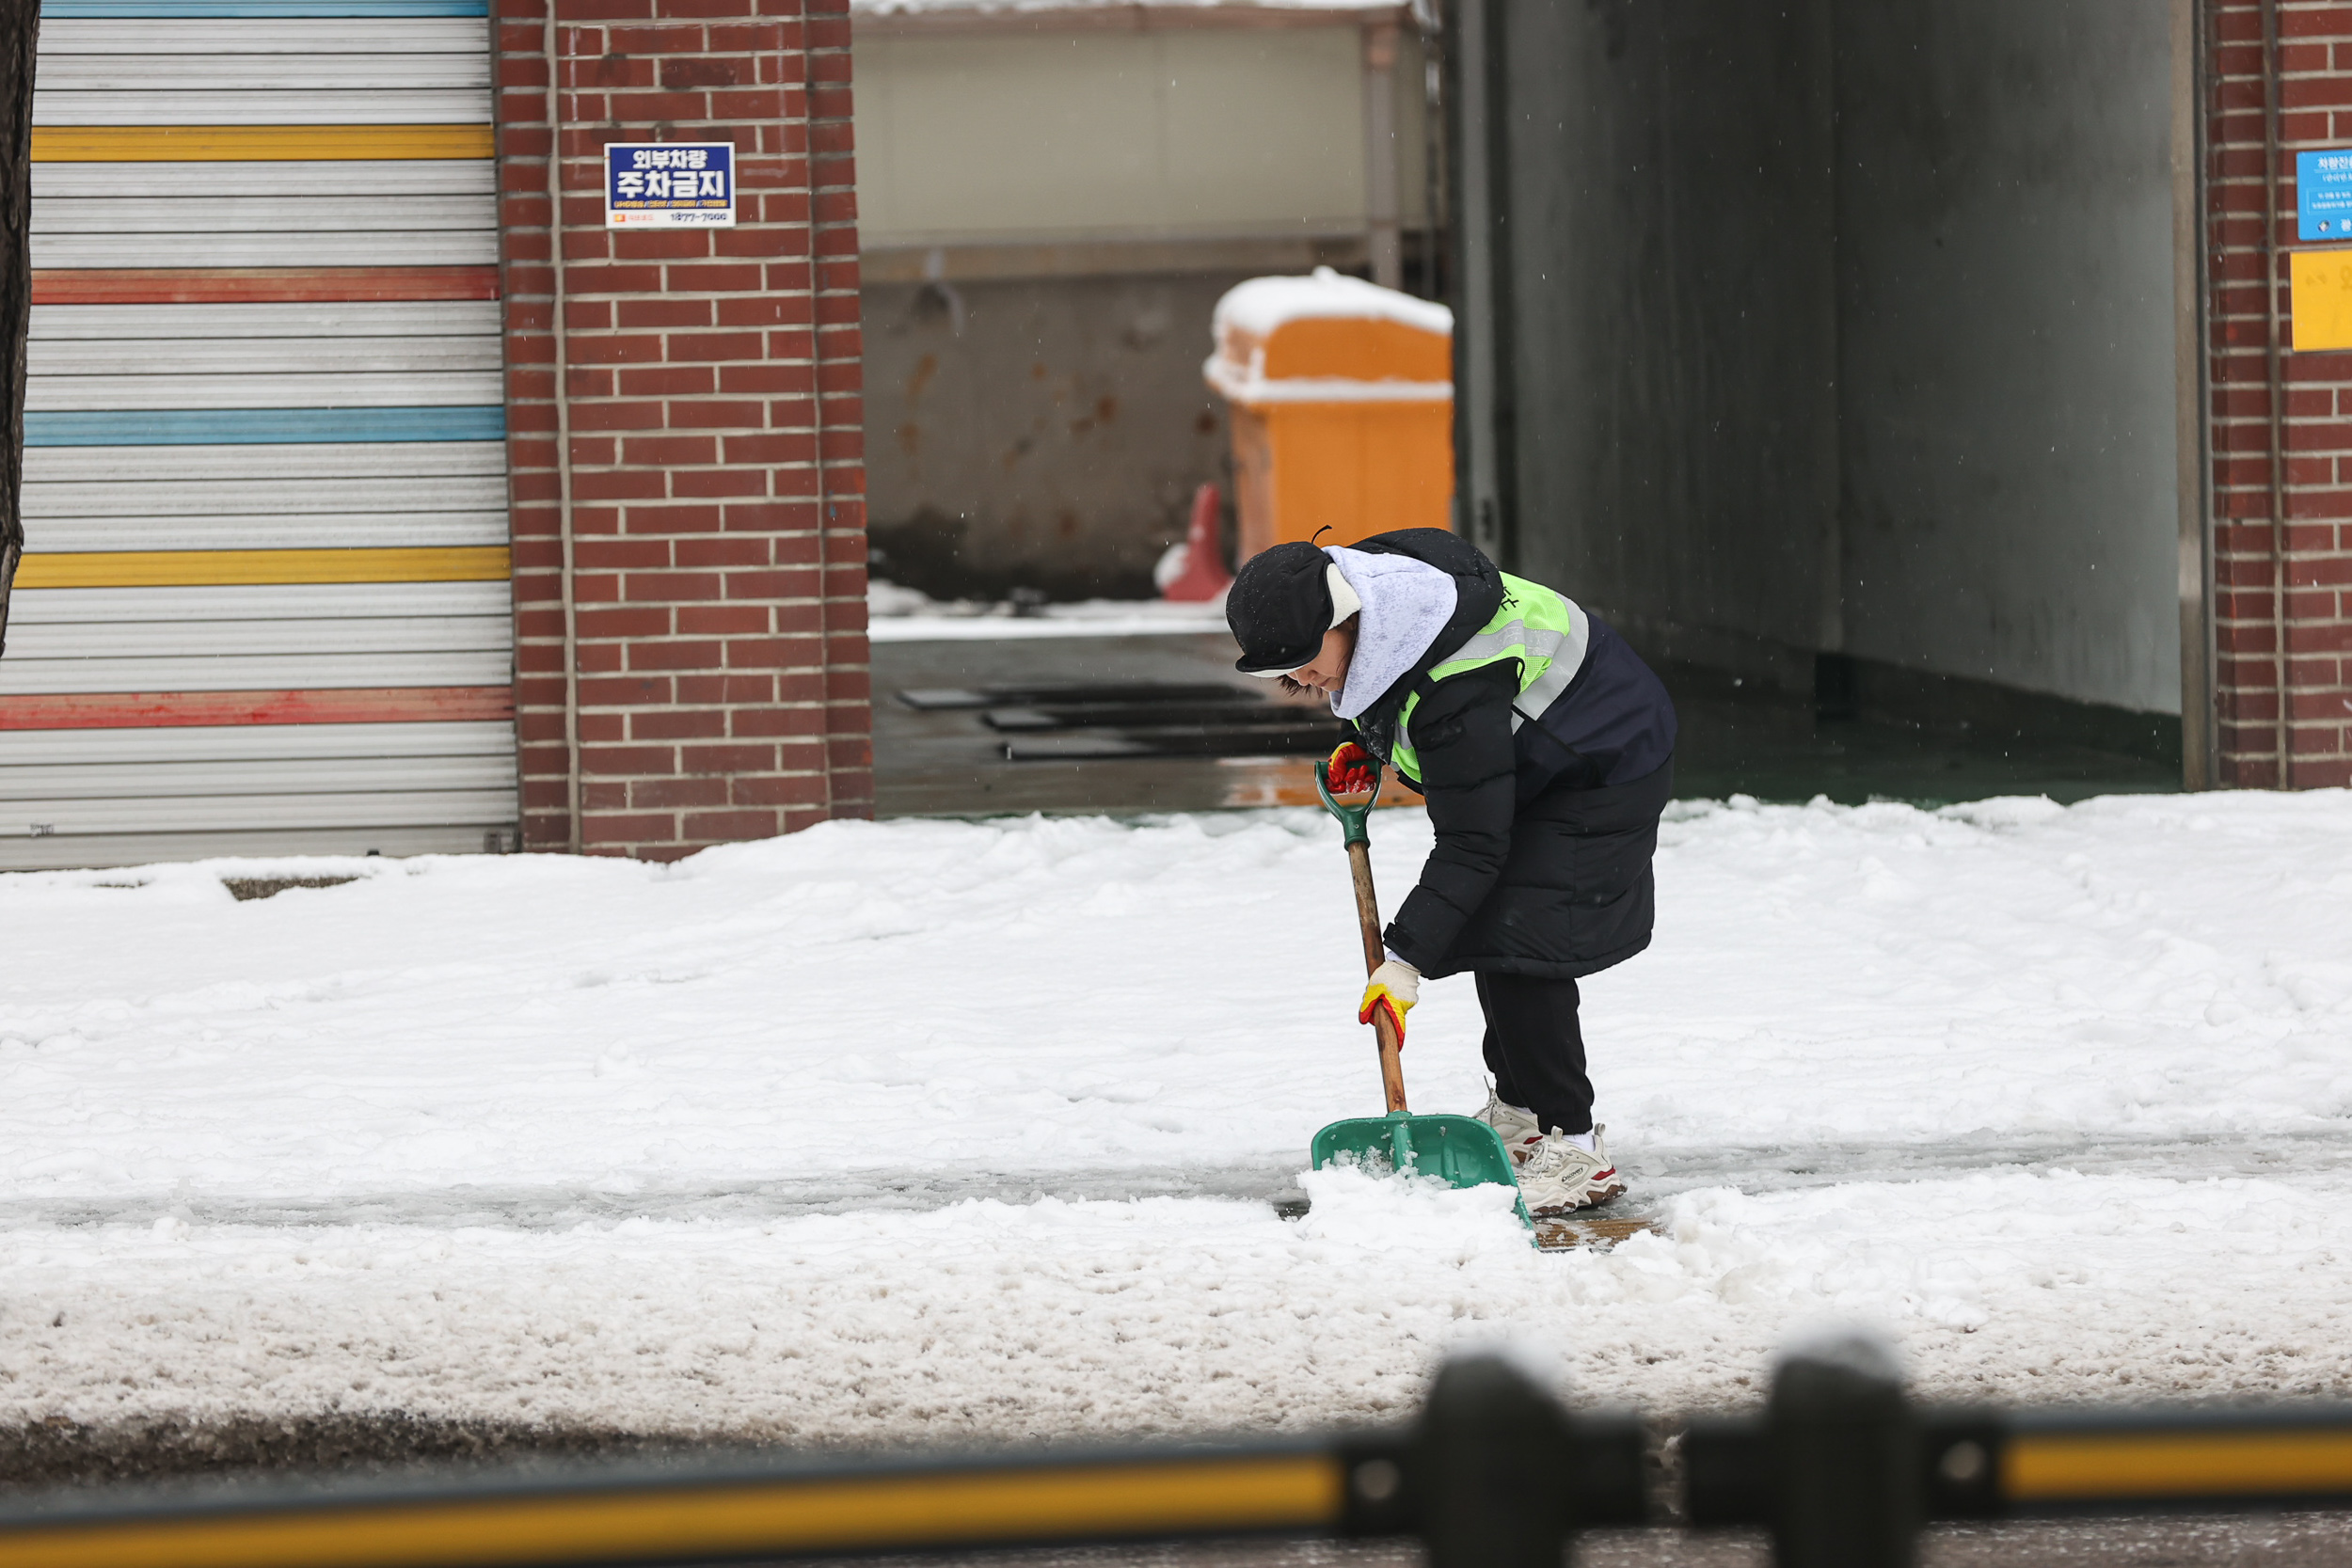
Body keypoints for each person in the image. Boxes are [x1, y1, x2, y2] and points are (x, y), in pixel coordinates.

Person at [1226, 529, 1677, 1213]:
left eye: (1304, 661)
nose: (1302, 680)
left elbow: (1472, 841)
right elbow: (1395, 681)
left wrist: (1402, 962)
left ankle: (1577, 1147)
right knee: (1492, 929)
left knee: (1526, 946)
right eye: (1282, 672)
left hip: (1600, 760)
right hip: (1539, 759)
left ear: (1341, 616)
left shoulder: (1456, 678)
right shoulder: (1385, 605)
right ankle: (1524, 1114)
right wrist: (1370, 743)